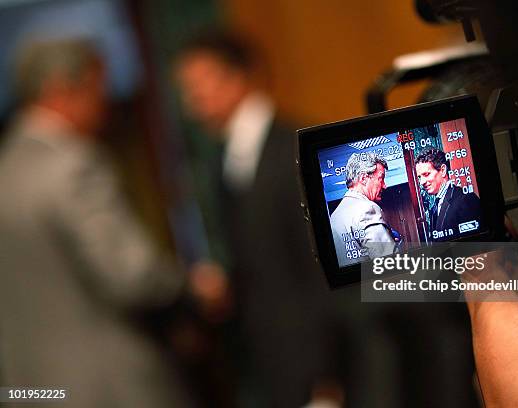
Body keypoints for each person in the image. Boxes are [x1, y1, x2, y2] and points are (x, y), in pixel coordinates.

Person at [0, 39, 217, 408]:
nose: (105, 104)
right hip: (109, 387)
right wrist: (189, 288)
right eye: (97, 87)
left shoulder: (7, 169)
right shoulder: (73, 163)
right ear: (61, 88)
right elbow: (131, 275)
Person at [175, 29, 338, 408]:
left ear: (238, 77)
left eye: (198, 86)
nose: (191, 103)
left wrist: (328, 375)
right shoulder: (221, 161)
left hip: (314, 364)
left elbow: (322, 274)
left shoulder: (296, 149)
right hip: (263, 360)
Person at [330, 152, 397, 266]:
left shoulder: (334, 216)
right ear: (364, 178)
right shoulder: (367, 209)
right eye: (381, 178)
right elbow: (390, 265)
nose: (384, 185)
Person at [415, 147, 481, 242]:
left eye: (426, 174)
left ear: (442, 170)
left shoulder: (465, 199)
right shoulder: (434, 207)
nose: (422, 182)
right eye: (419, 177)